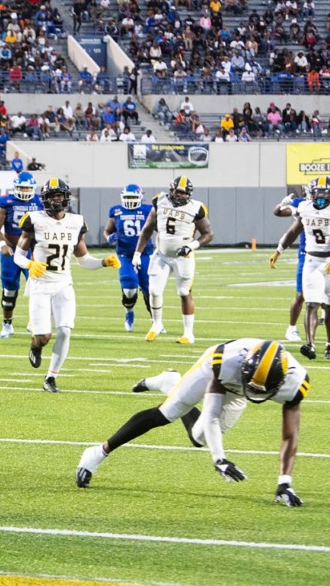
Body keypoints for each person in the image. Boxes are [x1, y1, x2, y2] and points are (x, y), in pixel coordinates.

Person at [76, 339, 308, 508]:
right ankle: (98, 452)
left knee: (200, 438)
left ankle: (171, 382)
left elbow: (290, 436)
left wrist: (285, 482)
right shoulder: (225, 362)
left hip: (239, 385)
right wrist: (219, 459)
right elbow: (212, 413)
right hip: (215, 375)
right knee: (167, 413)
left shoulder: (295, 384)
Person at [15, 178, 119, 393]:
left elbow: (83, 260)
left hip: (63, 283)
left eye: (59, 195)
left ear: (65, 198)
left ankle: (51, 377)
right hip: (40, 284)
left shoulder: (76, 221)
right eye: (52, 195)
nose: (56, 199)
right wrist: (30, 264)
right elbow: (18, 256)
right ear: (45, 198)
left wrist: (102, 263)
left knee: (64, 330)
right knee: (43, 336)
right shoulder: (33, 220)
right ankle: (35, 346)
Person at [133, 176, 213, 344]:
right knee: (154, 291)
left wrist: (192, 246)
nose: (180, 196)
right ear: (171, 190)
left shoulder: (196, 208)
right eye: (177, 192)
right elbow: (148, 228)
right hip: (161, 254)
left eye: (184, 193)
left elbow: (208, 234)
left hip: (183, 257)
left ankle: (188, 333)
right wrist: (137, 253)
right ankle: (156, 325)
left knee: (184, 293)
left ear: (189, 194)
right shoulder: (160, 201)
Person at [270, 176, 330, 359]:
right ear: (311, 194)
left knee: (328, 306)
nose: (321, 198)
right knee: (311, 303)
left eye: (325, 194)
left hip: (329, 261)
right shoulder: (304, 208)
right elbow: (292, 230)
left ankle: (329, 345)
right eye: (318, 194)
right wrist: (279, 250)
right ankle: (310, 344)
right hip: (311, 261)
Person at [0, 172, 42, 338]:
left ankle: (34, 321)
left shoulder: (40, 202)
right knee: (9, 290)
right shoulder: (6, 202)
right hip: (12, 251)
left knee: (37, 287)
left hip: (32, 252)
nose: (25, 190)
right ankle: (7, 324)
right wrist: (2, 244)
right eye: (21, 187)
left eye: (28, 187)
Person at [103, 185, 153, 332]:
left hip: (145, 253)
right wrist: (109, 237)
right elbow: (107, 231)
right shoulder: (116, 211)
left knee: (149, 289)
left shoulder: (148, 210)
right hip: (124, 254)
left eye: (133, 197)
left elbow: (158, 229)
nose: (130, 200)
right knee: (129, 288)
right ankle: (129, 313)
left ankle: (155, 321)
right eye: (127, 197)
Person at [272, 189, 308, 342]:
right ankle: (292, 328)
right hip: (308, 254)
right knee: (301, 295)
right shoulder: (303, 206)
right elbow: (279, 213)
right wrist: (281, 205)